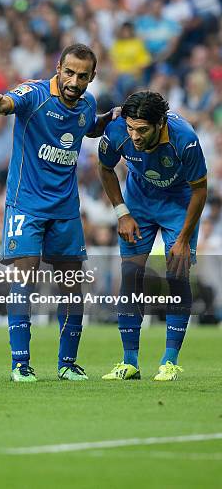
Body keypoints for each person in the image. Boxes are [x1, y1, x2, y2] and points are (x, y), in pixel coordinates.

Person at [0, 43, 117, 382]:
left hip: (66, 209)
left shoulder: (86, 103)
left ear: (92, 77)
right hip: (26, 205)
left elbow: (88, 127)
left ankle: (67, 363)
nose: (74, 80)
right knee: (23, 282)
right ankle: (20, 364)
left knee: (72, 288)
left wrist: (109, 119)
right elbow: (8, 102)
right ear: (58, 67)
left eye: (82, 76)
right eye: (69, 72)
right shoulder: (35, 93)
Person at [98, 91, 207, 381]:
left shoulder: (185, 139)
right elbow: (105, 168)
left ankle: (169, 361)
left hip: (178, 204)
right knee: (131, 274)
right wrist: (122, 212)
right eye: (131, 128)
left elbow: (200, 189)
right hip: (139, 203)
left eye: (142, 130)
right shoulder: (118, 130)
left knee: (176, 275)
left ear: (160, 124)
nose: (134, 136)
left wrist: (183, 238)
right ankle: (129, 362)